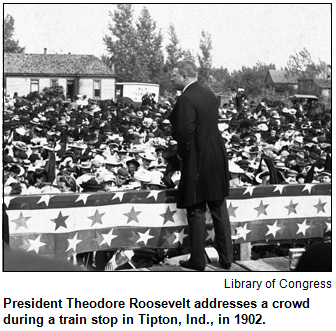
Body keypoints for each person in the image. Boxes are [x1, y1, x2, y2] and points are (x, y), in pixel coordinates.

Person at [169, 60, 233, 271]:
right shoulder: (209, 95)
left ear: (185, 77)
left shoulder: (186, 99)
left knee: (196, 208)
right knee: (218, 207)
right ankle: (226, 258)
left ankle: (197, 260)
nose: (171, 78)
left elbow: (185, 134)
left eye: (174, 75)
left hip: (197, 158)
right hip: (217, 155)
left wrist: (179, 155)